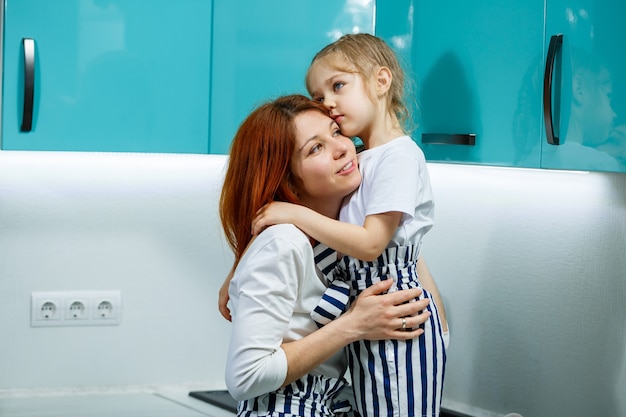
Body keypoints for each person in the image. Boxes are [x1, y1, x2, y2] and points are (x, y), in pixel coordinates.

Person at [251, 34, 447, 417]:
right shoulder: (360, 157)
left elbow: (373, 243)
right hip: (368, 316)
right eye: (319, 96)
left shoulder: (399, 157)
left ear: (381, 81)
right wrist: (238, 274)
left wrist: (291, 213)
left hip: (394, 314)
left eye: (338, 85)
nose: (328, 104)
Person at [220, 94, 433, 416]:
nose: (343, 147)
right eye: (315, 148)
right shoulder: (284, 242)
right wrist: (354, 325)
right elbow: (246, 376)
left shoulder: (341, 235)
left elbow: (407, 266)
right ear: (287, 178)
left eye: (335, 131)